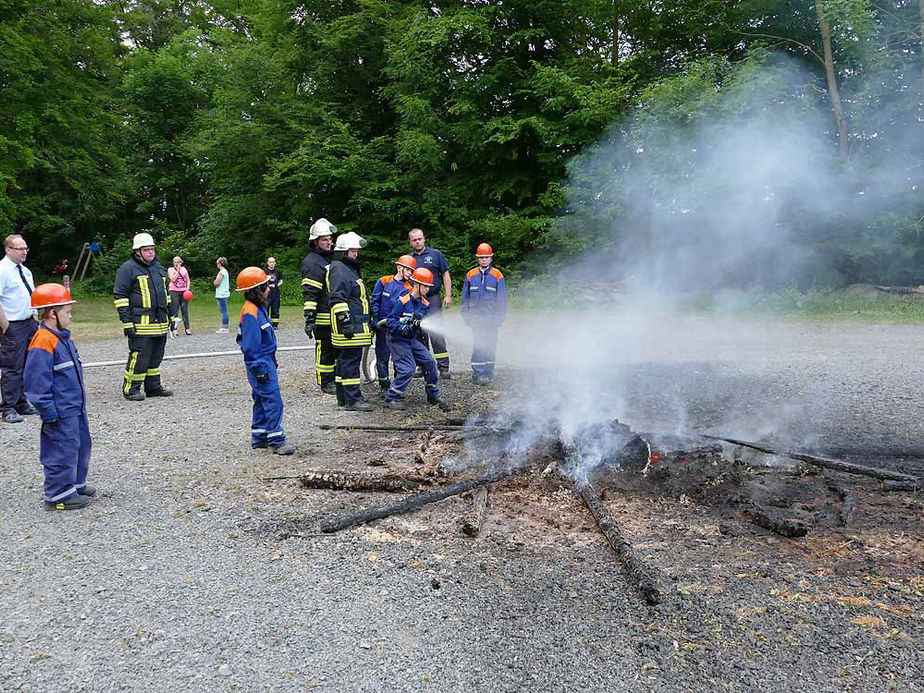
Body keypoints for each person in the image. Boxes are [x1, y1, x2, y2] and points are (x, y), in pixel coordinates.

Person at [23, 283, 94, 510]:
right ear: (52, 314)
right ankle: (58, 496)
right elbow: (35, 381)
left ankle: (74, 483)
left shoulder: (63, 338)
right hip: (60, 410)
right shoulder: (43, 341)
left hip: (74, 407)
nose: (70, 316)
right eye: (67, 312)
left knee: (80, 444)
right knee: (60, 449)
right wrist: (47, 409)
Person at [235, 267, 295, 455]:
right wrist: (258, 367)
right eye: (266, 285)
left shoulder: (257, 308)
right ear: (257, 289)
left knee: (261, 399)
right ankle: (277, 439)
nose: (269, 288)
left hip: (264, 360)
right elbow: (251, 345)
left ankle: (259, 436)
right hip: (260, 362)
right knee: (273, 400)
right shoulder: (251, 312)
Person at [113, 232, 174, 400]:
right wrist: (127, 322)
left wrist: (171, 317)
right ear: (138, 251)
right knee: (139, 357)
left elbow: (166, 295)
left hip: (160, 323)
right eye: (146, 250)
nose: (150, 253)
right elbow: (120, 297)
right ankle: (131, 389)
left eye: (152, 249)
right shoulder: (127, 269)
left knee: (156, 358)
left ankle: (153, 387)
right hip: (140, 323)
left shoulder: (158, 268)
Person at [383, 268, 450, 411]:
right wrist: (402, 327)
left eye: (429, 286)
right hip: (396, 340)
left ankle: (432, 395)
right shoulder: (402, 300)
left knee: (430, 362)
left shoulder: (425, 304)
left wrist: (415, 326)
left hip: (410, 339)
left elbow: (417, 323)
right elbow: (390, 321)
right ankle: (392, 396)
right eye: (425, 286)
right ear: (416, 284)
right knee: (408, 369)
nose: (427, 289)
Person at [326, 231, 374, 411]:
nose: (356, 254)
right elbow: (338, 298)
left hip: (354, 324)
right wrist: (345, 322)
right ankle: (354, 400)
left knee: (344, 362)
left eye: (356, 251)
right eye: (353, 251)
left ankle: (343, 398)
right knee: (350, 363)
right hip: (350, 326)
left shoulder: (346, 268)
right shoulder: (339, 268)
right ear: (343, 251)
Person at [0, 234, 39, 423]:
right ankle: (7, 407)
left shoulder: (25, 270)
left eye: (26, 248)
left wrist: (35, 316)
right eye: (20, 248)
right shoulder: (2, 270)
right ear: (8, 250)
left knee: (27, 364)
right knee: (12, 366)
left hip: (29, 321)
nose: (24, 252)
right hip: (13, 324)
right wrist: (4, 324)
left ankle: (21, 402)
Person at [408, 228, 452, 377]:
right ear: (410, 242)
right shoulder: (409, 259)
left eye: (420, 238)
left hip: (432, 298)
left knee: (436, 332)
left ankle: (443, 367)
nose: (417, 241)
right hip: (416, 300)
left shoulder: (436, 254)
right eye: (414, 240)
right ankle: (422, 365)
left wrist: (448, 295)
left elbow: (445, 274)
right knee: (418, 332)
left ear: (424, 238)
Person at [461, 243, 507, 385]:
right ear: (477, 258)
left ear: (491, 258)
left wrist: (499, 318)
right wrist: (467, 316)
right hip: (476, 319)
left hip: (492, 319)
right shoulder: (470, 275)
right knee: (479, 345)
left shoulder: (497, 275)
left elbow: (501, 299)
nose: (484, 260)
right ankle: (478, 373)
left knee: (490, 345)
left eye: (486, 257)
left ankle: (488, 372)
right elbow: (465, 298)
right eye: (481, 257)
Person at [370, 255, 416, 395]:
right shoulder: (384, 281)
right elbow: (375, 301)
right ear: (399, 267)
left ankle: (397, 386)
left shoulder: (410, 287)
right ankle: (384, 385)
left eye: (412, 271)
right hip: (382, 327)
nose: (410, 273)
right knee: (382, 356)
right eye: (408, 270)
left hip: (397, 328)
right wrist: (375, 320)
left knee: (398, 357)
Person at [301, 218, 337, 394]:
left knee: (337, 348)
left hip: (334, 314)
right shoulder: (313, 262)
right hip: (322, 316)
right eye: (324, 239)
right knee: (325, 348)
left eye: (330, 238)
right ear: (315, 242)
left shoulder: (330, 258)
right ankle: (326, 381)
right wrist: (310, 318)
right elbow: (310, 293)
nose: (329, 242)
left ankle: (335, 379)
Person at [167, 256, 192, 337]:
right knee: (175, 310)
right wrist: (177, 271)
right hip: (174, 291)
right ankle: (174, 328)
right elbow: (172, 279)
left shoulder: (184, 269)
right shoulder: (170, 269)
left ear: (181, 262)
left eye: (178, 262)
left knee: (185, 310)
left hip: (183, 291)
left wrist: (187, 289)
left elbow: (187, 279)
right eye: (175, 262)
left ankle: (187, 328)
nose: (177, 263)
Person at [264, 257, 283, 329]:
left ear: (275, 263)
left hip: (276, 293)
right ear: (267, 263)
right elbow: (262, 281)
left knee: (275, 309)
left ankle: (275, 324)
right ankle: (266, 323)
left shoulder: (278, 271)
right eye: (270, 262)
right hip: (267, 294)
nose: (272, 263)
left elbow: (281, 280)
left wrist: (278, 285)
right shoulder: (264, 272)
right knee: (266, 308)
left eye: (273, 262)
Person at [213, 257, 230, 333]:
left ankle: (225, 327)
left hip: (222, 294)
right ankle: (225, 326)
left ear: (220, 264)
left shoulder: (222, 272)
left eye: (217, 263)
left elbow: (216, 282)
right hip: (224, 293)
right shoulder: (224, 271)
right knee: (223, 310)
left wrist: (214, 282)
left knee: (223, 311)